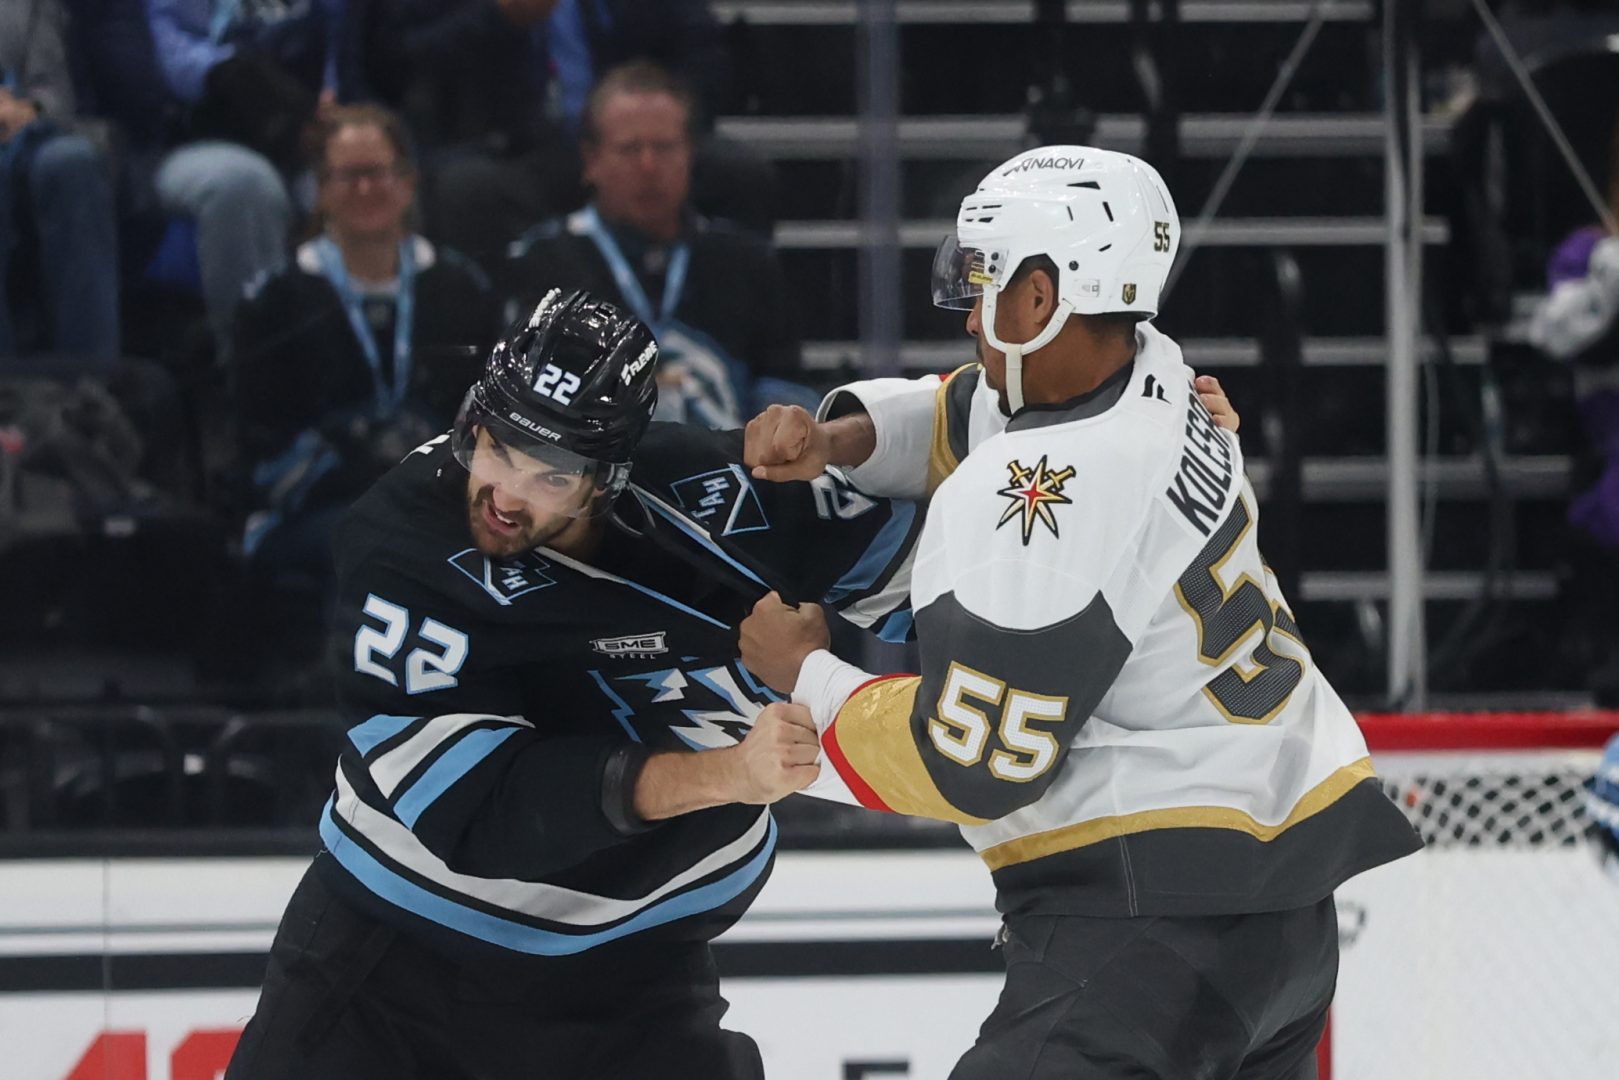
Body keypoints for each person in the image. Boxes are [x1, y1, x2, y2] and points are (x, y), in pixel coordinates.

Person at [736, 146, 1424, 1080]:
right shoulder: (1164, 373)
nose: (972, 313)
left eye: (987, 281)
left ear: (1043, 296)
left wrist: (805, 674)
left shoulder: (1032, 497)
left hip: (1147, 929)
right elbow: (970, 403)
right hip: (1286, 924)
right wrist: (838, 440)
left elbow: (974, 762)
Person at [223, 288, 929, 1079]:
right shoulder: (404, 544)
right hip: (399, 961)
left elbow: (955, 572)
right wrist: (733, 773)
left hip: (639, 971)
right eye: (494, 446)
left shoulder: (717, 493)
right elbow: (485, 809)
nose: (505, 495)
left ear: (608, 478)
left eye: (550, 476)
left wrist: (842, 440)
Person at [233, 104, 498, 584]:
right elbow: (259, 446)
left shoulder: (463, 289)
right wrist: (352, 454)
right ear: (319, 190)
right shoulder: (275, 302)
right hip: (320, 511)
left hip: (445, 503)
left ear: (409, 181)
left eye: (378, 173)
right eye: (348, 175)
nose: (365, 189)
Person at [506, 60, 805, 429]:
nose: (648, 166)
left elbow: (786, 394)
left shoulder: (747, 261)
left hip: (727, 473)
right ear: (591, 160)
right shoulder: (543, 263)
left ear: (690, 154)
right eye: (630, 149)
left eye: (664, 147)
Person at [0, 0, 119, 363]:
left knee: (72, 162)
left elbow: (54, 96)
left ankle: (90, 387)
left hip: (21, 140)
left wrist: (27, 112)